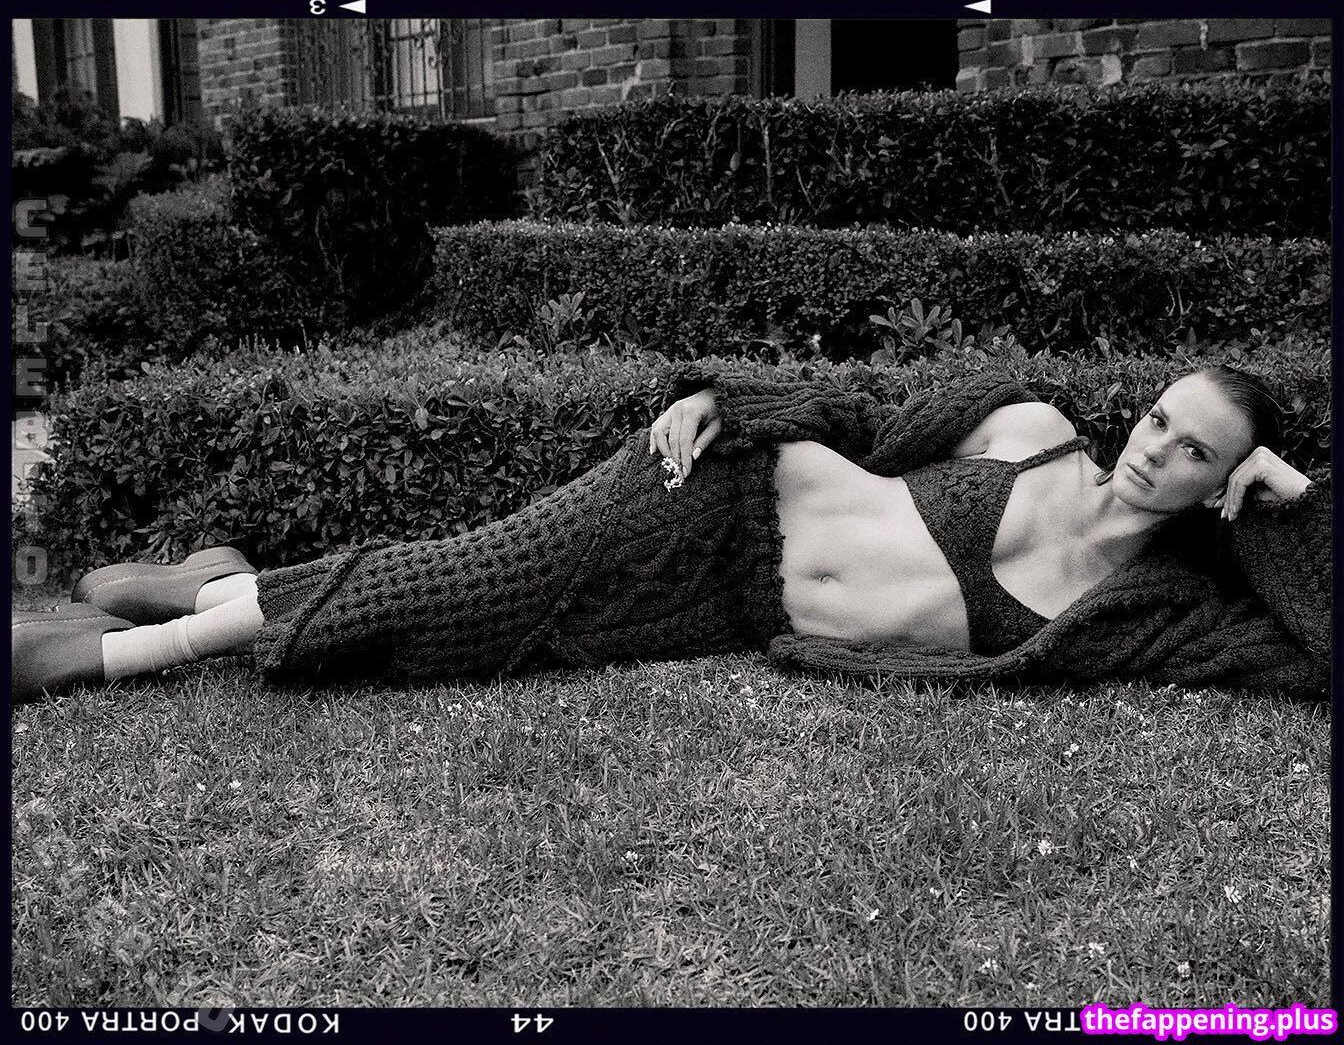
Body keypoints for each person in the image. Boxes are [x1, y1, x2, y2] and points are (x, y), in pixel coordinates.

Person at [11, 363, 1330, 705]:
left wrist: (1299, 509)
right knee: (473, 581)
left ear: (1226, 481)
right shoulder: (1031, 428)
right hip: (719, 490)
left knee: (464, 645)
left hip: (729, 607)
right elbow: (856, 414)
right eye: (1160, 418)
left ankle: (225, 584)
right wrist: (727, 402)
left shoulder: (1152, 611)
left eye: (1197, 451)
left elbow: (1314, 649)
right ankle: (108, 655)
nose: (1155, 448)